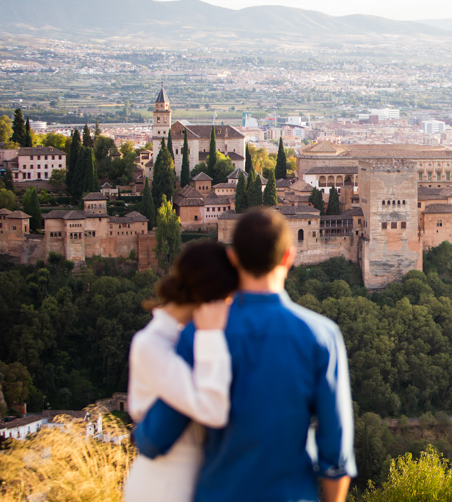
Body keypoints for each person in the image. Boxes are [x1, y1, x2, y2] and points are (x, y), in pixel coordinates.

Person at [133, 209, 356, 502]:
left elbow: (156, 437)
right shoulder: (322, 336)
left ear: (234, 259)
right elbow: (336, 452)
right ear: (288, 257)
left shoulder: (201, 332)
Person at [123, 240, 239, 502]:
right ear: (214, 295)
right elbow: (212, 409)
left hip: (202, 483)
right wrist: (211, 334)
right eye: (229, 297)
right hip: (163, 487)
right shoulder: (150, 344)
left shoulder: (194, 339)